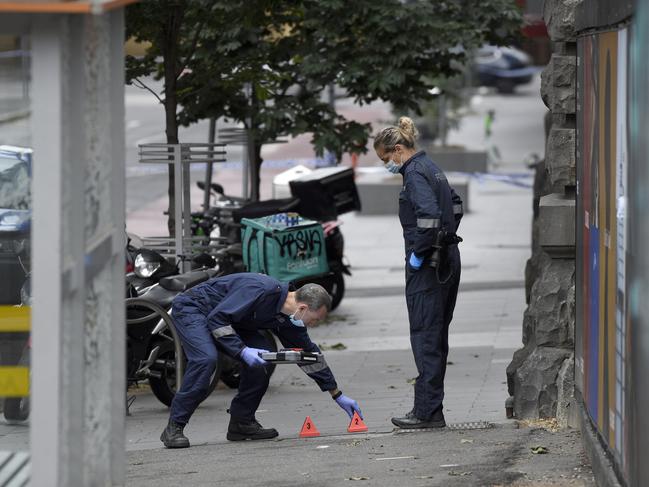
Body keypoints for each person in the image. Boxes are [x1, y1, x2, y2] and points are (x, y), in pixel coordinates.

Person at [160, 272, 362, 448]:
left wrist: (336, 393)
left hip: (230, 319)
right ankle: (174, 427)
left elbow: (308, 354)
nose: (314, 325)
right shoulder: (260, 290)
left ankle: (242, 423)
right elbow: (217, 319)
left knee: (264, 358)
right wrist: (241, 351)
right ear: (302, 308)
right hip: (195, 308)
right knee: (206, 359)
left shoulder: (289, 319)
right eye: (315, 319)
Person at [373, 117, 463, 429]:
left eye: (386, 159)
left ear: (398, 150)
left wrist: (419, 253)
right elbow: (455, 205)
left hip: (428, 267)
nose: (387, 165)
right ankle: (430, 407)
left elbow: (428, 216)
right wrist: (446, 239)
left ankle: (426, 412)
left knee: (426, 335)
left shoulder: (413, 174)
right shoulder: (432, 167)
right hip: (448, 259)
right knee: (436, 336)